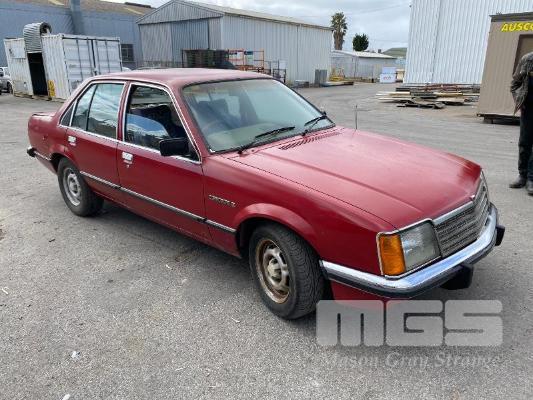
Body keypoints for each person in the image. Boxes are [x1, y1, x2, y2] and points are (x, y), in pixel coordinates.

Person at [510, 52, 533, 194]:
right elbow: (514, 84)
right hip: (528, 109)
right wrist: (519, 101)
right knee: (524, 143)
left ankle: (531, 178)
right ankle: (522, 175)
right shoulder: (527, 59)